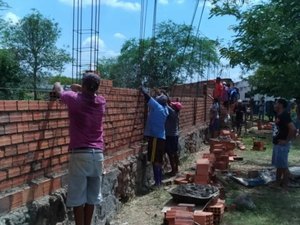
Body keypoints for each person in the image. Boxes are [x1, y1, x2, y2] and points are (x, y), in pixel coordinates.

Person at [53, 72, 105, 225]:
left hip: (81, 154)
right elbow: (88, 92)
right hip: (98, 155)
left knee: (78, 199)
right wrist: (80, 88)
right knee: (92, 198)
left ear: (83, 86)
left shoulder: (74, 99)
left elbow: (59, 90)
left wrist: (57, 83)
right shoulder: (101, 102)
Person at [141, 87, 169, 186]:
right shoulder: (166, 109)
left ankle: (157, 183)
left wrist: (143, 90)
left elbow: (148, 98)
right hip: (162, 137)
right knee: (159, 160)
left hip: (155, 138)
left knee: (155, 160)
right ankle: (159, 181)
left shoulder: (158, 107)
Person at [272, 99, 296, 189]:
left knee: (283, 166)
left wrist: (286, 141)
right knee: (279, 165)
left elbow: (293, 129)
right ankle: (277, 183)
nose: (274, 105)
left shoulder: (284, 115)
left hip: (282, 145)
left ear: (281, 105)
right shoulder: (279, 115)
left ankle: (285, 186)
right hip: (277, 143)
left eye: (276, 103)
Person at [165, 101, 182, 176]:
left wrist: (162, 95)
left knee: (170, 153)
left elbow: (165, 104)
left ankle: (173, 170)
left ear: (175, 108)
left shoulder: (173, 113)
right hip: (174, 136)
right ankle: (176, 169)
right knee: (174, 153)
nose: (171, 106)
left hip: (170, 136)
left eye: (173, 106)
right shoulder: (175, 114)